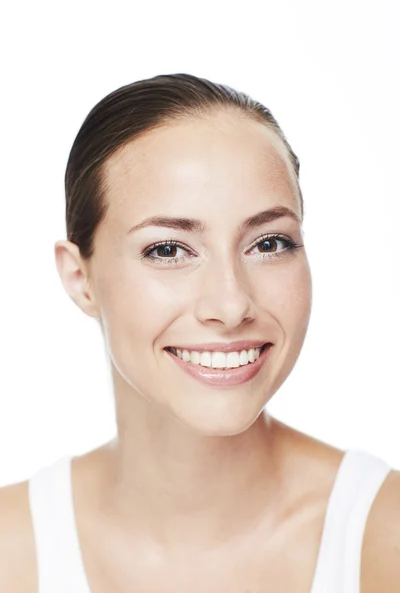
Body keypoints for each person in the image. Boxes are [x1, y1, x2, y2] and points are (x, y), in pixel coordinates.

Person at [0, 73, 399, 592]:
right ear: (81, 279)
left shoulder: (385, 537)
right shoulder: (11, 551)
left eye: (270, 242)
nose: (231, 304)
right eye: (167, 249)